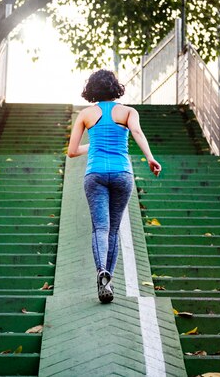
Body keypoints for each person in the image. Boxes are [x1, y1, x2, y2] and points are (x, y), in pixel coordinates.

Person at [67, 69, 162, 303]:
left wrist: (95, 145)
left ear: (92, 90)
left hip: (95, 174)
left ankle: (101, 272)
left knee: (100, 227)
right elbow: (137, 132)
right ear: (115, 87)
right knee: (114, 229)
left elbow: (72, 152)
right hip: (122, 173)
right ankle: (109, 280)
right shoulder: (128, 112)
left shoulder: (85, 114)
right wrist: (150, 157)